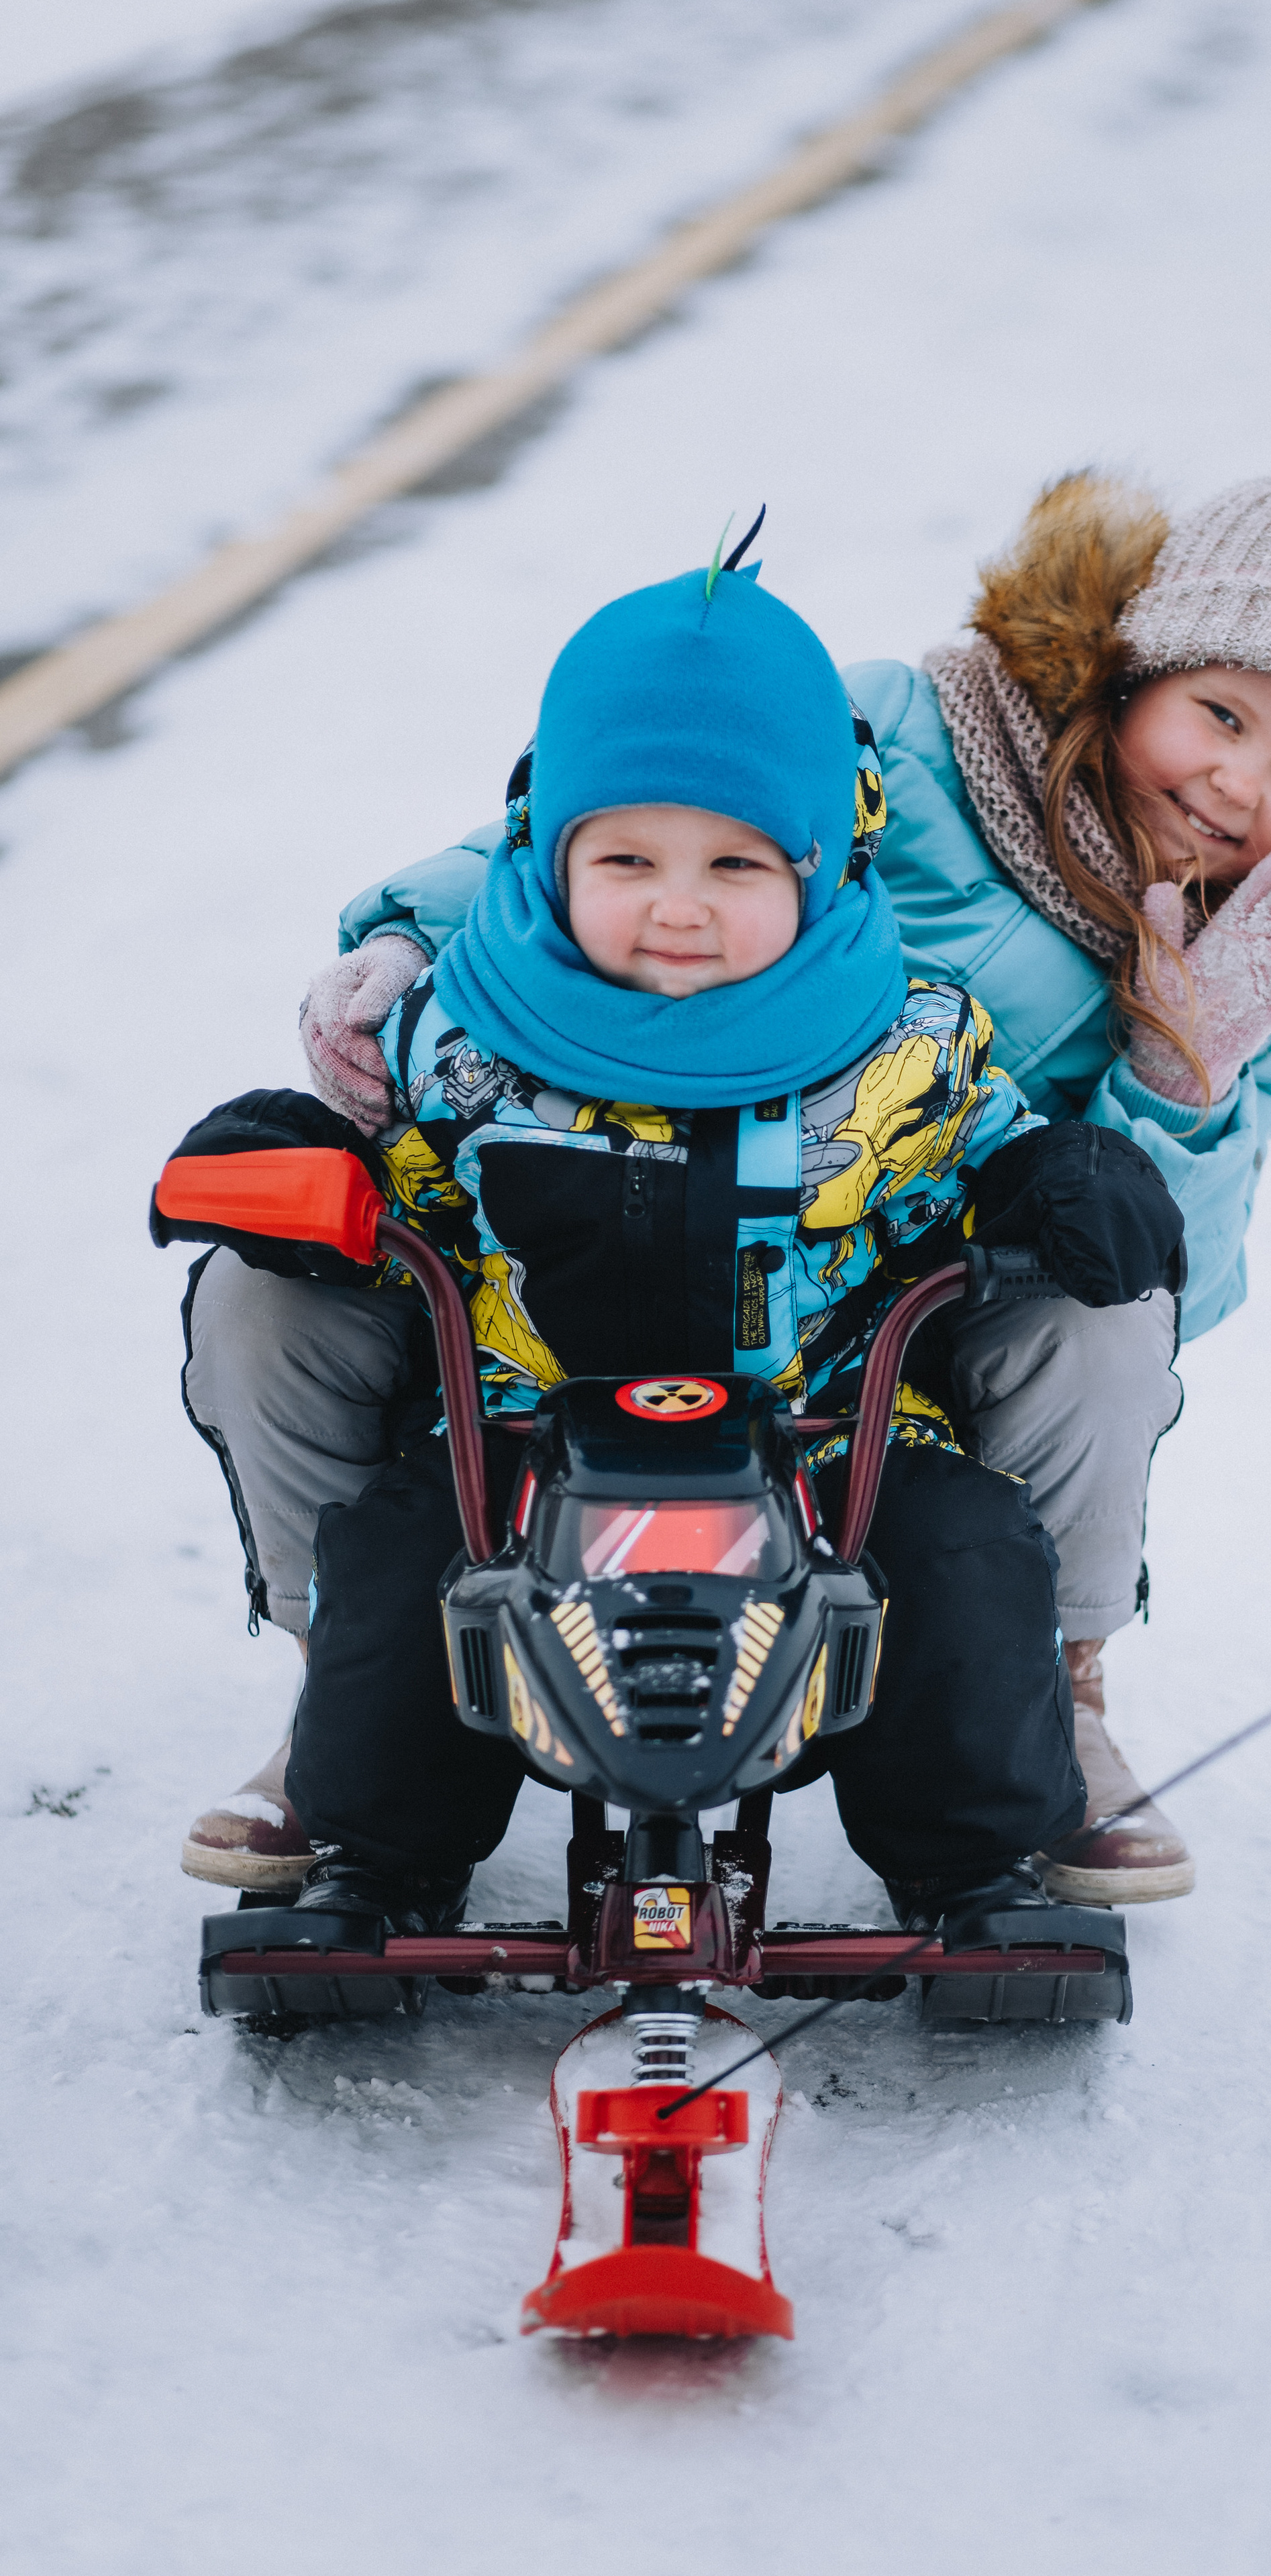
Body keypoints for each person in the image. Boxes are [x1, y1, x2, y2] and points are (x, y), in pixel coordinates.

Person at [182, 405, 1271, 1904]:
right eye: (1220, 715)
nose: (1237, 786)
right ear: (1135, 661)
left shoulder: (1247, 968)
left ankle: (1047, 1708)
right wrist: (408, 945)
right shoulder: (902, 730)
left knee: (1097, 1332)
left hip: (883, 1307)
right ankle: (334, 1701)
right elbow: (613, 810)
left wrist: (1175, 1080)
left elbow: (1167, 1270)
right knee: (264, 1292)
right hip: (554, 1305)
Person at [157, 553, 1184, 1935]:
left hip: (828, 1431)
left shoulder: (904, 1037)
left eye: (734, 865)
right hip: (514, 1429)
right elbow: (402, 1170)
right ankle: (373, 1850)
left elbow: (979, 1146)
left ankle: (974, 1860)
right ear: (548, 852)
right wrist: (302, 1151)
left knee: (958, 1555)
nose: (678, 905)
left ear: (822, 866)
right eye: (626, 860)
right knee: (407, 1556)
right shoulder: (460, 1027)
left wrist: (1059, 1173)